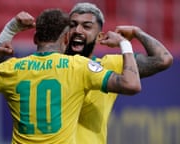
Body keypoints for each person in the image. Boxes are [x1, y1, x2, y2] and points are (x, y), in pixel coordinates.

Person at [0, 8, 141, 144]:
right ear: (66, 39)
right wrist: (125, 44)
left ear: (35, 39)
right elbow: (131, 84)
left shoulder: (10, 69)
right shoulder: (78, 67)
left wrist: (3, 38)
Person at [65, 2, 173, 144]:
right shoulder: (52, 64)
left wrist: (135, 32)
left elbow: (163, 59)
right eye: (73, 25)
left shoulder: (109, 65)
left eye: (86, 26)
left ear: (99, 37)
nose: (78, 30)